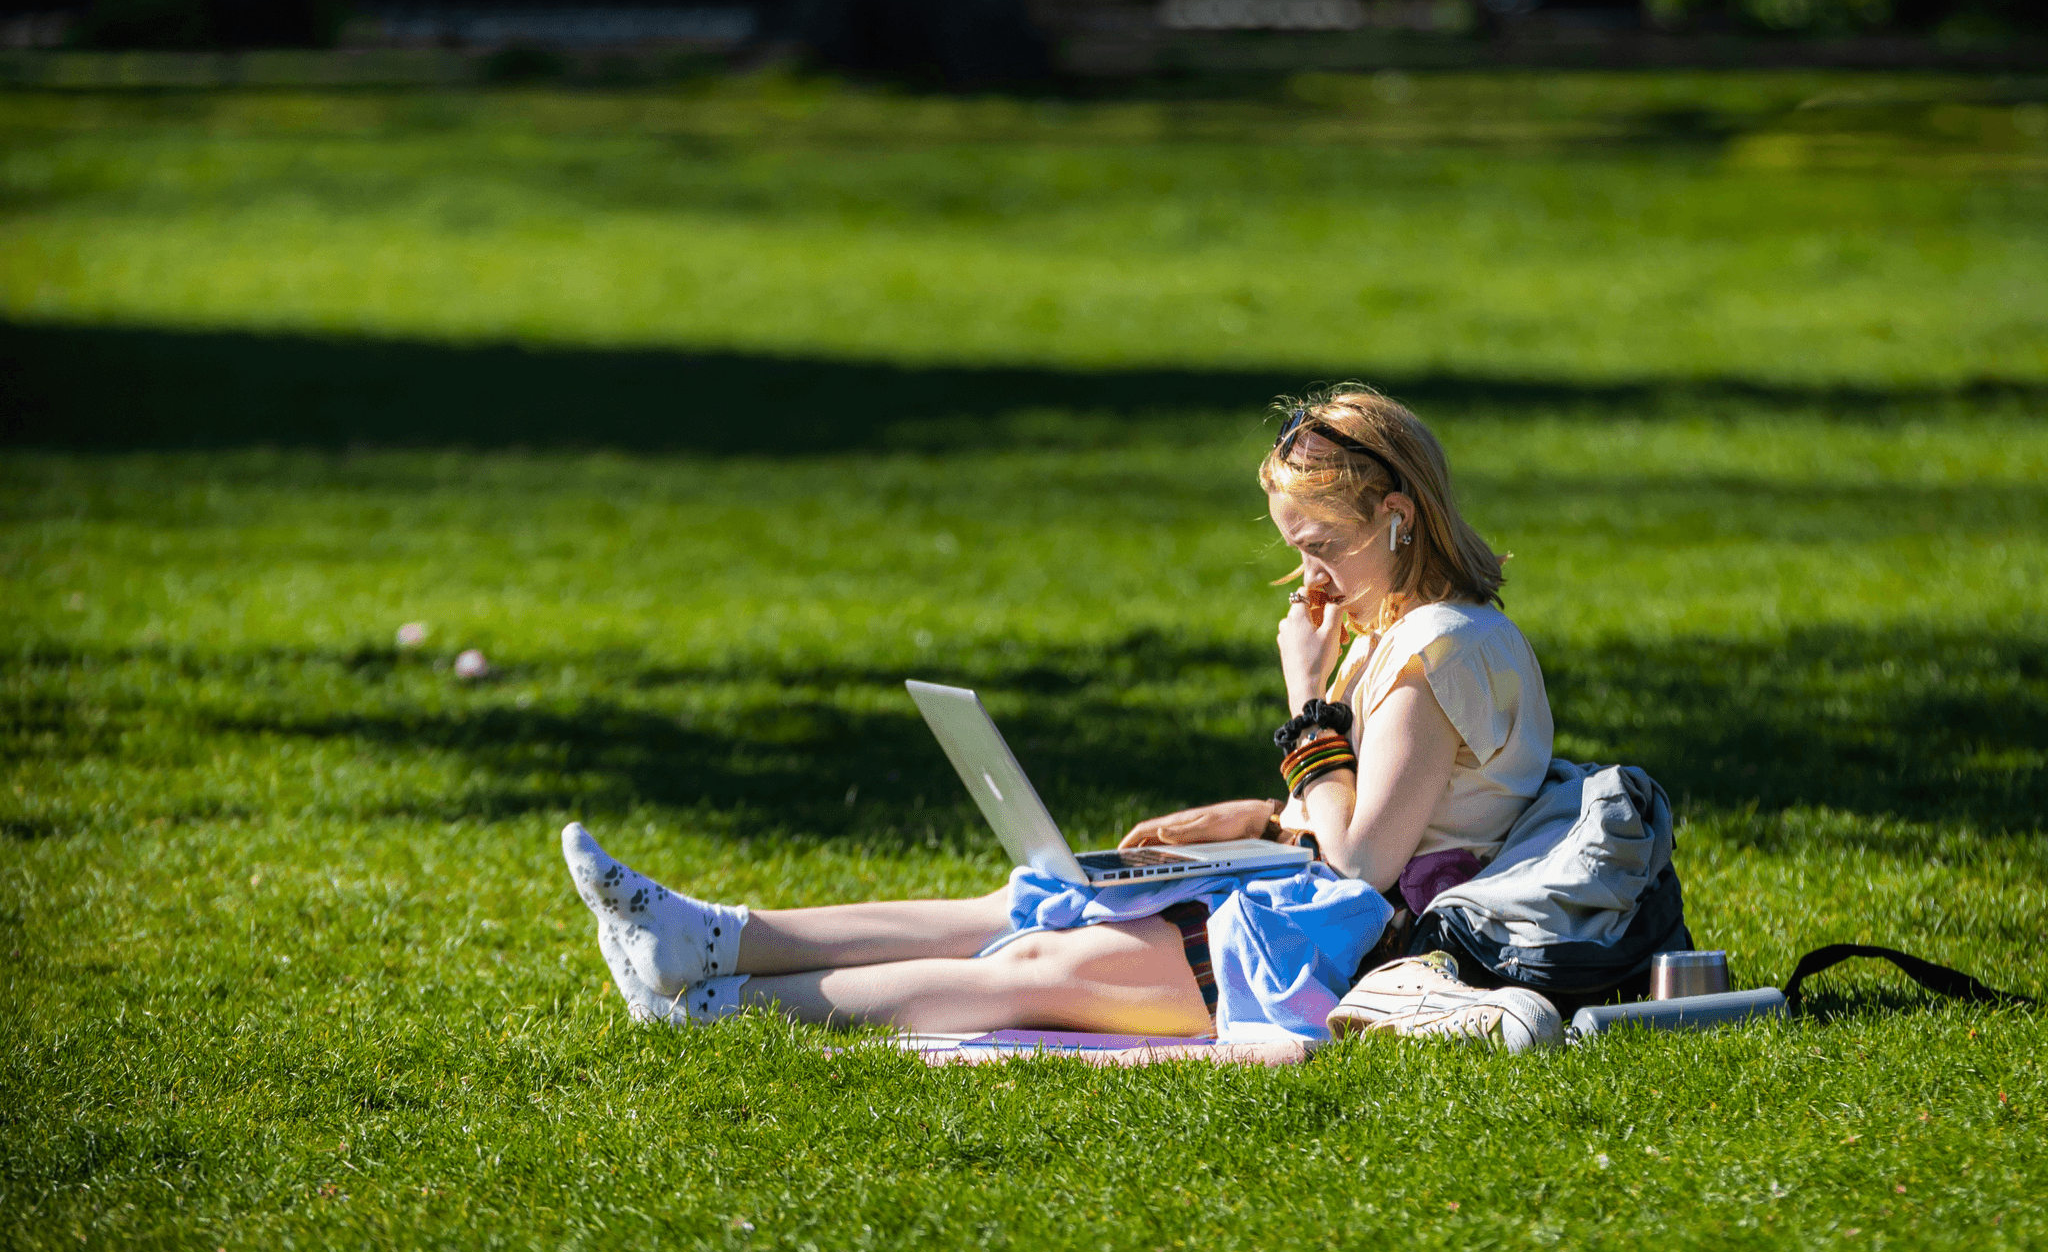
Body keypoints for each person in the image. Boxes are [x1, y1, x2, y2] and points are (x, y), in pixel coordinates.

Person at [560, 385, 1554, 1044]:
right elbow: (1364, 810)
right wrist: (1239, 821)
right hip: (1307, 899)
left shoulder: (1443, 649)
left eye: (1321, 545)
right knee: (1025, 904)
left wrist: (1302, 704)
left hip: (1352, 947)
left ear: (1398, 516)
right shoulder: (1392, 630)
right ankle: (705, 937)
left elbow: (1365, 863)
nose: (1307, 575)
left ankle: (716, 1009)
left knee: (1034, 964)